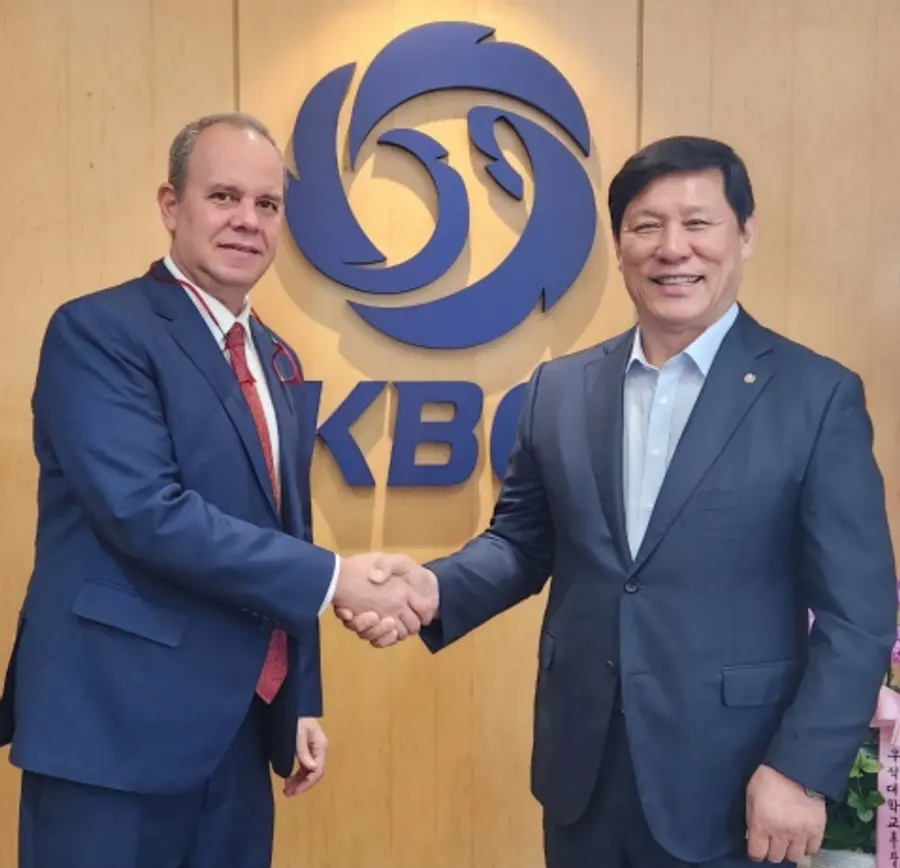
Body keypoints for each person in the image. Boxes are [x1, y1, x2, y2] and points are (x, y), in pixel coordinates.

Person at [337, 135, 898, 867]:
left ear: (745, 234)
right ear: (619, 243)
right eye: (647, 225)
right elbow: (520, 544)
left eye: (698, 223)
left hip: (738, 786)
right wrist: (432, 588)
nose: (673, 248)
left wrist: (800, 769)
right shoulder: (559, 389)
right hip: (585, 778)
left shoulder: (815, 397)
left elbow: (859, 614)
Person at [0, 112, 428, 868]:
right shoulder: (99, 332)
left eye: (266, 204)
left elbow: (285, 529)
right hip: (111, 730)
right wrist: (337, 578)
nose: (247, 221)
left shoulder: (277, 358)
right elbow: (144, 512)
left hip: (236, 732)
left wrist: (299, 698)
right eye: (224, 196)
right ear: (172, 205)